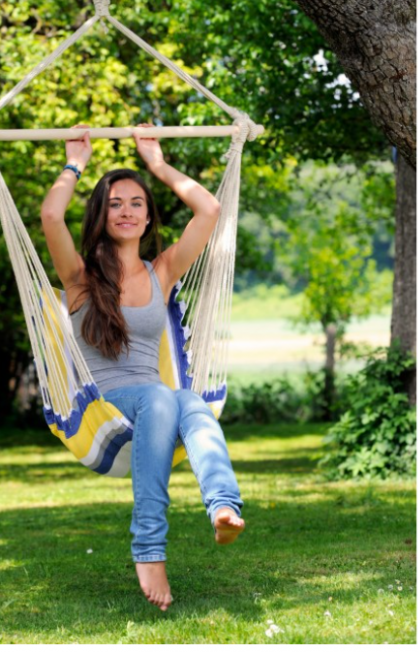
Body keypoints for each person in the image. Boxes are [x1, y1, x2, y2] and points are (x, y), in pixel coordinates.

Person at [40, 124, 245, 611]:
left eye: (136, 202)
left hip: (158, 406)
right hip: (107, 407)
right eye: (114, 203)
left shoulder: (163, 271)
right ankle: (148, 546)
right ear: (100, 214)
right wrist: (75, 163)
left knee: (190, 400)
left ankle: (223, 506)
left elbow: (210, 209)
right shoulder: (80, 277)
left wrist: (156, 161)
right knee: (162, 396)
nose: (126, 211)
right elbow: (51, 214)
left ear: (149, 215)